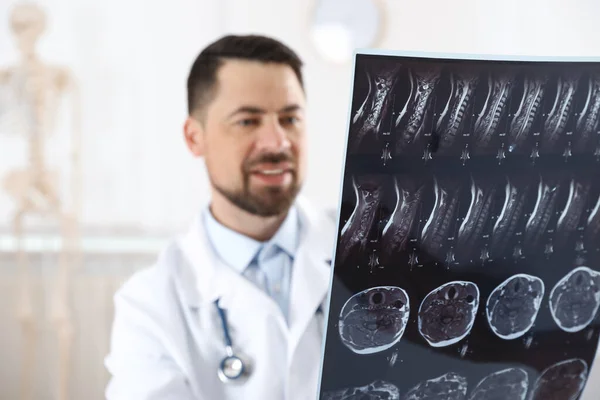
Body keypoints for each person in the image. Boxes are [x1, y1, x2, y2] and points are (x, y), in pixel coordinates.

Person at [104, 34, 338, 400]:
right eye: (248, 121)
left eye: (290, 118)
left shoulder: (375, 248)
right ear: (195, 138)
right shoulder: (150, 305)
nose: (277, 142)